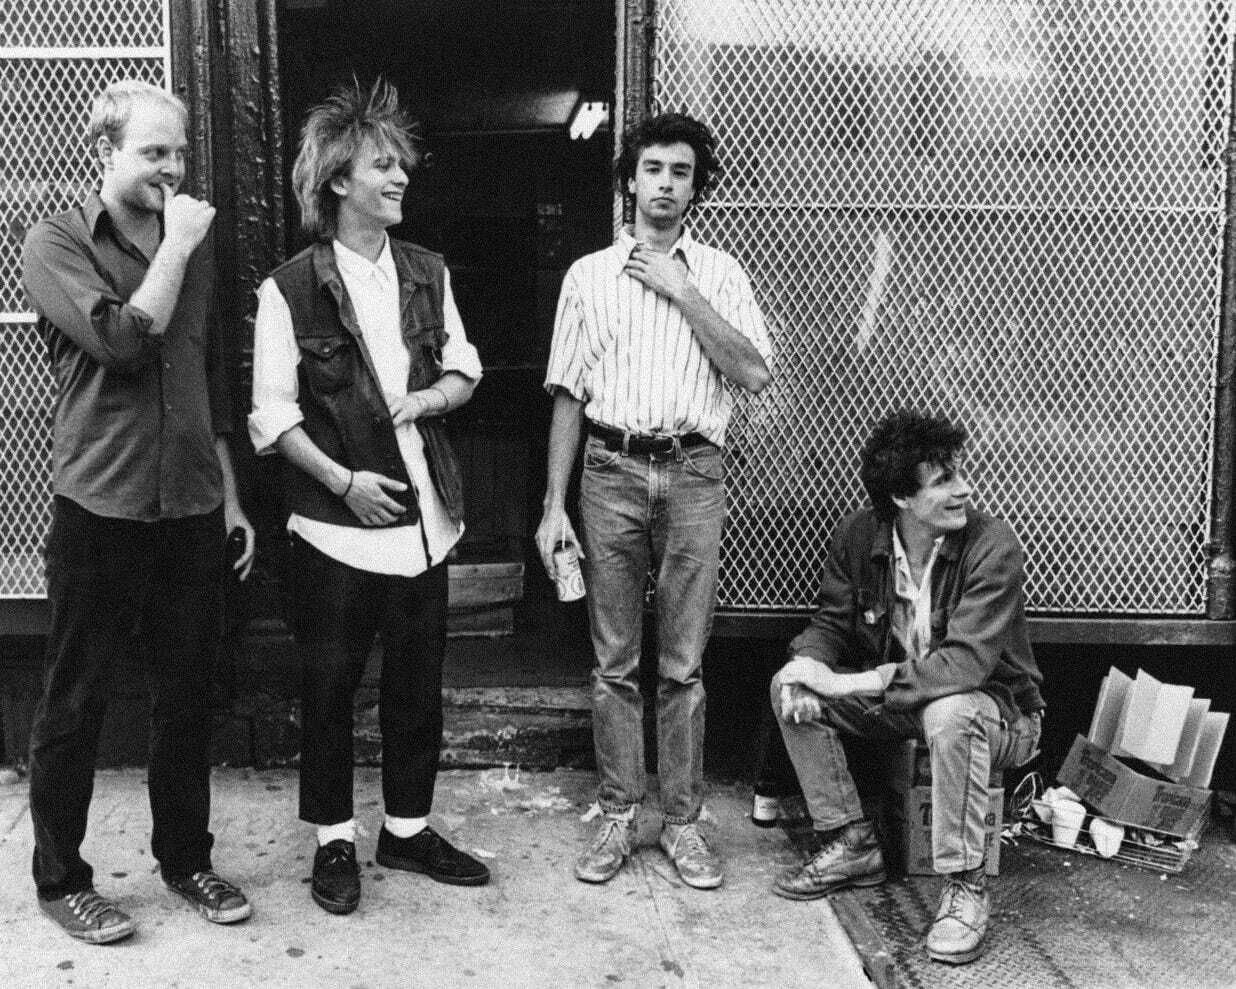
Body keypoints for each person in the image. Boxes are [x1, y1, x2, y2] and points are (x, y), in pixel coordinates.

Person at [20, 80, 255, 944]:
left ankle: (186, 858)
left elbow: (208, 378)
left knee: (187, 694)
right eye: (154, 152)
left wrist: (229, 494)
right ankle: (61, 878)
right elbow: (122, 339)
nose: (172, 168)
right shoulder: (54, 242)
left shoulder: (188, 240)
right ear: (106, 153)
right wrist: (180, 246)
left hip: (191, 505)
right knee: (75, 698)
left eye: (180, 152)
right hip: (101, 505)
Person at [248, 79, 488, 916]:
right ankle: (334, 840)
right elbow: (272, 416)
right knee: (330, 683)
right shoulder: (288, 289)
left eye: (402, 167)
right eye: (384, 167)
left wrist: (426, 402)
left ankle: (409, 828)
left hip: (426, 521)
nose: (401, 180)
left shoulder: (428, 271)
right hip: (335, 529)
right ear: (338, 182)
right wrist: (345, 483)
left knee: (419, 684)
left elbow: (465, 367)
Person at [536, 112, 772, 889]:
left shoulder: (724, 273)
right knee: (613, 660)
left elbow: (753, 372)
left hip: (695, 469)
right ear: (628, 181)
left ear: (696, 186)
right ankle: (615, 815)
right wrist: (552, 503)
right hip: (611, 468)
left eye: (680, 171)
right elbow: (568, 392)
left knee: (681, 663)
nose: (665, 183)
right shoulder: (587, 276)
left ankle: (681, 821)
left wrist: (684, 291)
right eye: (652, 169)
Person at [769, 409, 1044, 965]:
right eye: (943, 480)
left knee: (952, 713)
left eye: (959, 472)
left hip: (1000, 714)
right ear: (900, 497)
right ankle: (852, 842)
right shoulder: (858, 534)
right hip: (907, 700)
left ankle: (965, 886)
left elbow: (963, 667)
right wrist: (808, 668)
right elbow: (830, 623)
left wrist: (849, 682)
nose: (965, 488)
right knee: (789, 686)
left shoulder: (994, 546)